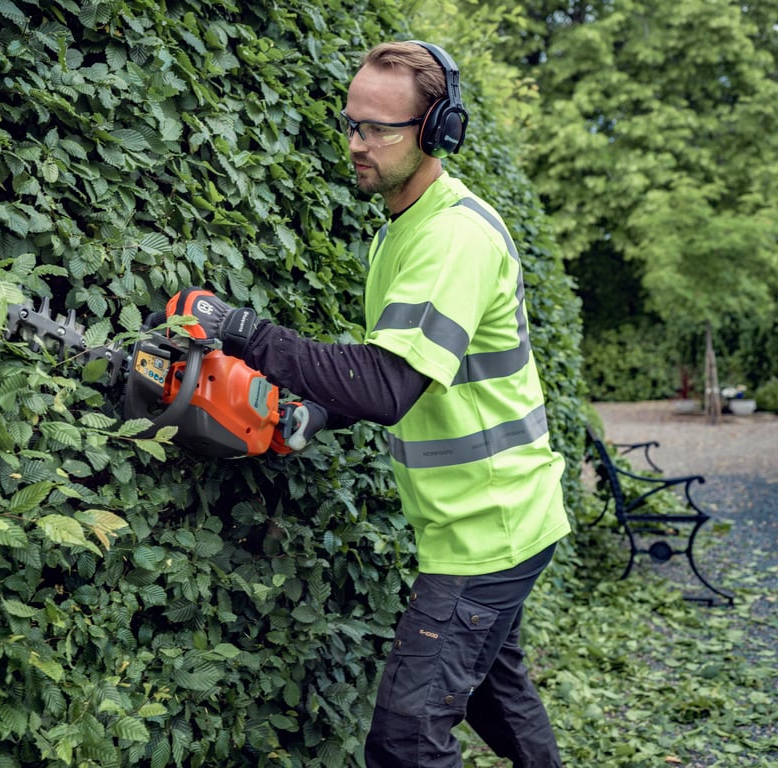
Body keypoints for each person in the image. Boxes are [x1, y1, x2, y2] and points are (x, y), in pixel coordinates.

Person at [166, 40, 570, 768]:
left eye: (379, 129)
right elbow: (403, 368)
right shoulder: (403, 228)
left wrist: (244, 332)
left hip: (488, 527)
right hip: (500, 512)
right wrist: (320, 410)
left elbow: (386, 384)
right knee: (492, 694)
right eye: (351, 123)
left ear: (438, 131)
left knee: (406, 741)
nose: (357, 144)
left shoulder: (452, 237)